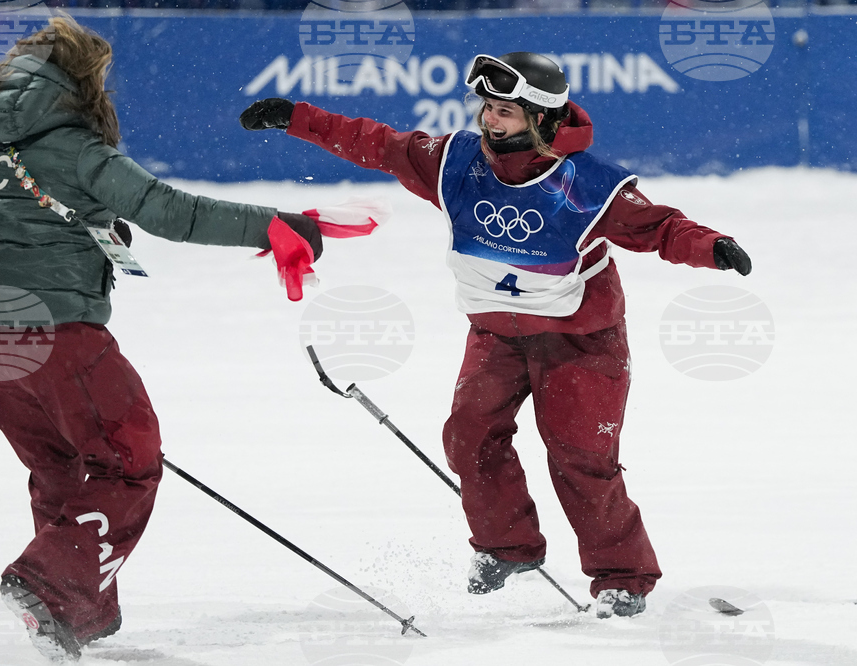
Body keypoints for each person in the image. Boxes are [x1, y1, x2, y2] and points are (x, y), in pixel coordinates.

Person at [240, 51, 751, 619]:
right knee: (469, 436)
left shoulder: (589, 186)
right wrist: (297, 118)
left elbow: (659, 227)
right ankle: (508, 547)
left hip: (580, 343)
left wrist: (711, 246)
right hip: (496, 334)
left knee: (582, 460)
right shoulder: (455, 161)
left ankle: (622, 579)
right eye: (486, 107)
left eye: (504, 111)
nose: (489, 119)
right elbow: (378, 143)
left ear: (540, 117)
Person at [0, 16, 322, 660]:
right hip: (59, 334)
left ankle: (77, 610)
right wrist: (274, 225)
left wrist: (94, 232)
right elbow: (171, 212)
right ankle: (50, 585)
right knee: (129, 460)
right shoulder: (77, 146)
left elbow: (27, 223)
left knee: (63, 468)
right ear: (77, 82)